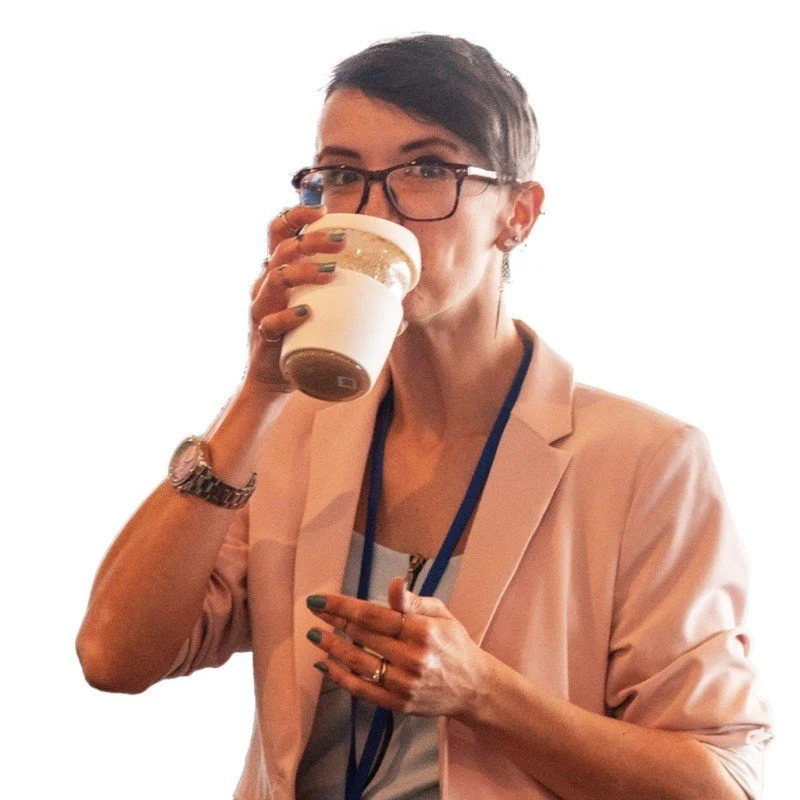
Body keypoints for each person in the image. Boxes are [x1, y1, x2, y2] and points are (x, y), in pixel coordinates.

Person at [76, 33, 773, 800]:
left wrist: (482, 692)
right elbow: (113, 656)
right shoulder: (290, 434)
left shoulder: (645, 460)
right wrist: (260, 393)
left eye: (427, 169)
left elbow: (722, 783)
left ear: (518, 214)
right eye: (343, 175)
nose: (376, 209)